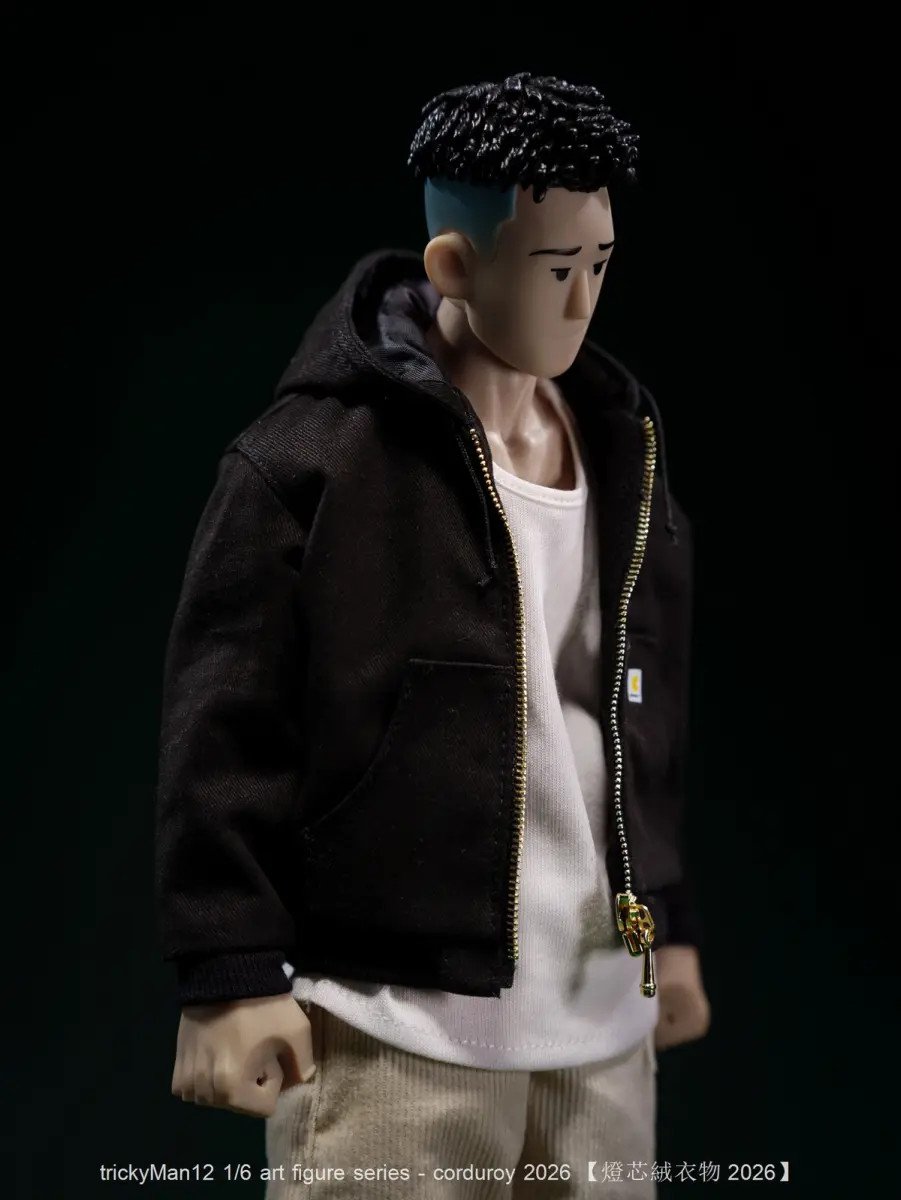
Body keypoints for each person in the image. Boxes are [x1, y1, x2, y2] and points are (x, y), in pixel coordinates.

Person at [157, 73, 711, 1199]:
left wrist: (668, 916)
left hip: (602, 1026)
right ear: (454, 266)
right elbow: (223, 719)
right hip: (393, 1028)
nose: (583, 302)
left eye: (600, 266)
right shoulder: (316, 460)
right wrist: (227, 968)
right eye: (555, 269)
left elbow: (638, 712)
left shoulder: (623, 449)